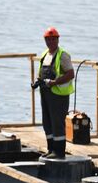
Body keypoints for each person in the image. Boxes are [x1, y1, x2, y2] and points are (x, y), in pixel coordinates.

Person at [32, 27, 75, 159]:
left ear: (57, 40)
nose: (50, 42)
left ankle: (59, 152)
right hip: (45, 93)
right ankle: (50, 149)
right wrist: (37, 81)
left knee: (57, 123)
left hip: (58, 95)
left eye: (53, 39)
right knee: (47, 122)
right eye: (48, 39)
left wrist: (54, 82)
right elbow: (42, 72)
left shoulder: (63, 55)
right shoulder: (45, 54)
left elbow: (70, 74)